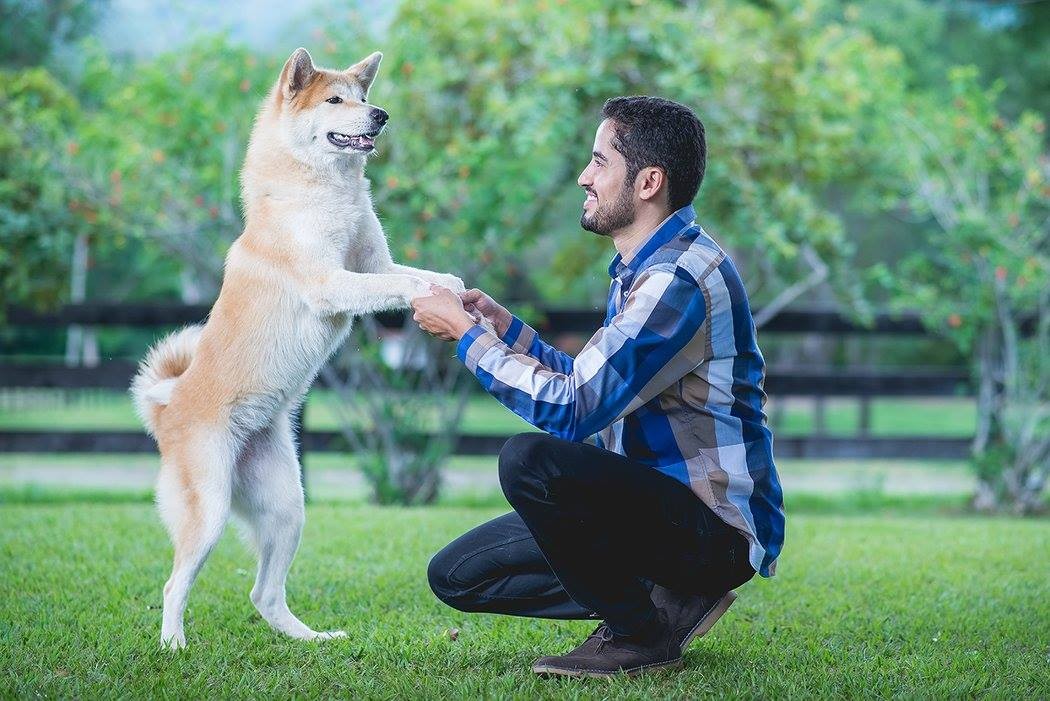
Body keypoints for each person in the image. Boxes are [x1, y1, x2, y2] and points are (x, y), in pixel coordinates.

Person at [410, 95, 785, 678]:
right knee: (458, 575)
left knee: (530, 461)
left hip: (710, 528)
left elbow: (573, 410)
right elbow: (593, 386)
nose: (584, 178)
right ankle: (662, 604)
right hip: (649, 511)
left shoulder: (677, 280)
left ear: (648, 182)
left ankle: (640, 635)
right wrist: (501, 328)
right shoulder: (644, 269)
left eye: (599, 161)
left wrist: (464, 337)